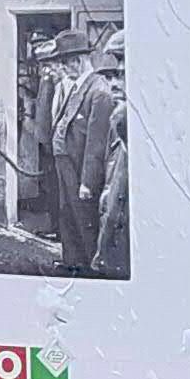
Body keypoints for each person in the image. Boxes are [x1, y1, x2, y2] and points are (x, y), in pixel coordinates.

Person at [42, 29, 100, 268]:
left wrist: (87, 181)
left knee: (82, 220)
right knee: (67, 216)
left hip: (78, 167)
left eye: (64, 63)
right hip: (65, 163)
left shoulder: (97, 91)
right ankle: (71, 263)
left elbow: (95, 145)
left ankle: (87, 268)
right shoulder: (78, 86)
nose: (62, 69)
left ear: (77, 61)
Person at [79, 31, 129, 278]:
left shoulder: (123, 119)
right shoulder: (119, 119)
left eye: (122, 75)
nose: (115, 84)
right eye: (113, 76)